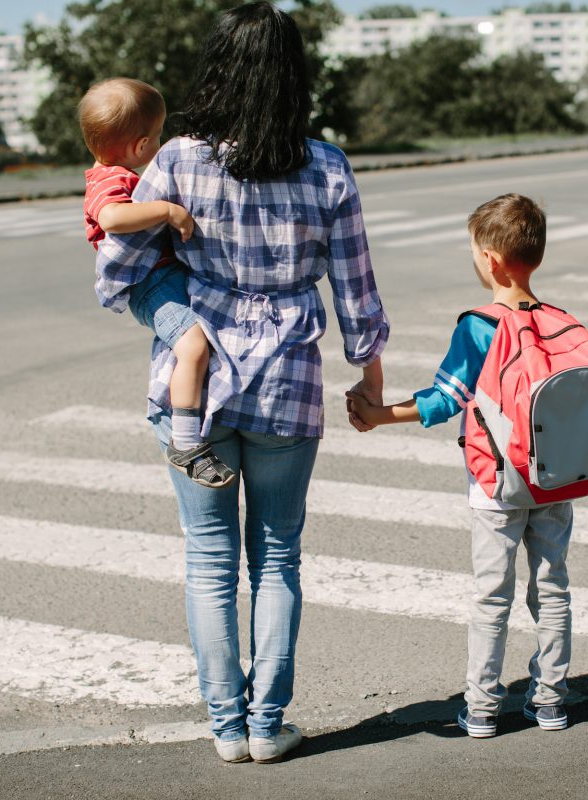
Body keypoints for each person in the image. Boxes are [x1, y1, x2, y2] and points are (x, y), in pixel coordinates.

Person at [94, 3, 389, 764]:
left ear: (218, 68)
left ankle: (226, 726)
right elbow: (357, 292)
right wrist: (370, 383)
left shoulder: (180, 163)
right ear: (294, 76)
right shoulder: (326, 165)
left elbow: (118, 272)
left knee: (208, 560)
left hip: (199, 383)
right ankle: (268, 725)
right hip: (287, 378)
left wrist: (181, 322)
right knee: (279, 556)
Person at [346, 194, 574, 739]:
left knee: (492, 594)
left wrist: (379, 415)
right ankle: (550, 702)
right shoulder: (560, 322)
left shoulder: (479, 326)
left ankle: (482, 707)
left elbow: (443, 400)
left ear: (491, 259)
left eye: (474, 249)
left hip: (496, 483)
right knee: (554, 589)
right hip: (555, 479)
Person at [79, 77, 234, 489]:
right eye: (158, 136)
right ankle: (185, 441)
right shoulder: (110, 180)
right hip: (150, 283)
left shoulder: (118, 173)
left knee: (199, 342)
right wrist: (166, 210)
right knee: (193, 345)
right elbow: (111, 217)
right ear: (138, 146)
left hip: (162, 276)